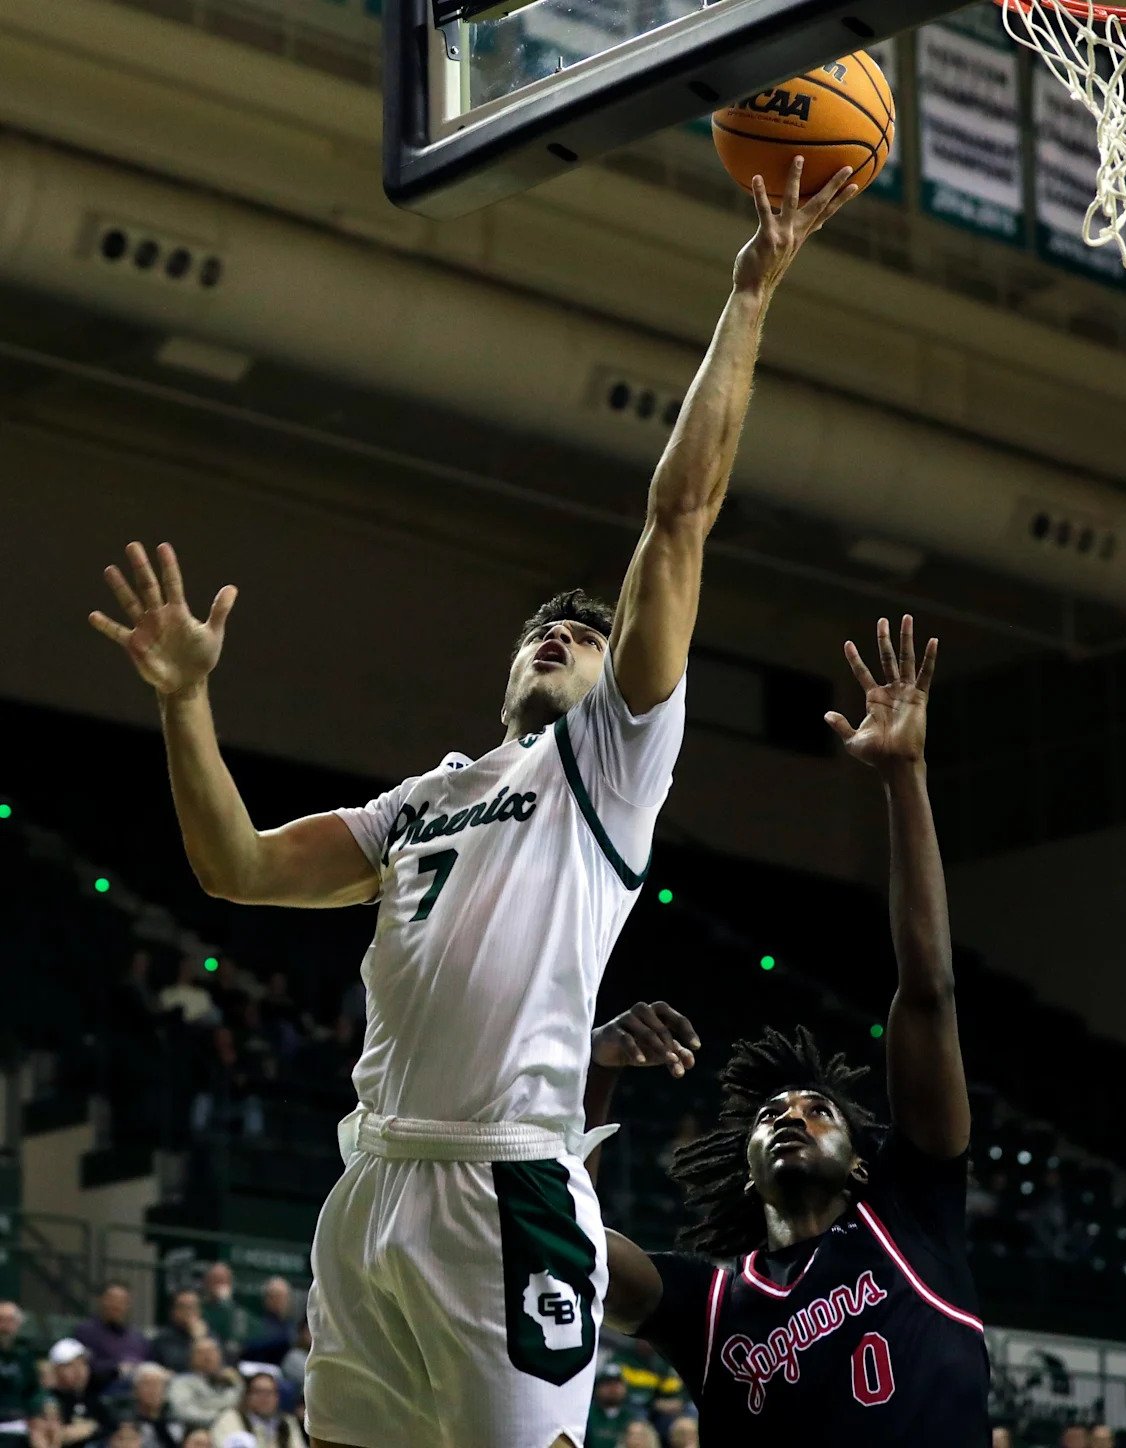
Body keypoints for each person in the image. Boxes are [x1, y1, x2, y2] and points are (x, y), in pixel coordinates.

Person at [87, 155, 859, 1448]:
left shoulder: (609, 764)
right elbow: (236, 869)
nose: (562, 632)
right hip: (371, 1184)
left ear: (624, 682)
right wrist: (184, 703)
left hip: (507, 1190)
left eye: (586, 631)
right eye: (542, 629)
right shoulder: (424, 801)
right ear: (508, 667)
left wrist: (755, 295)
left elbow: (679, 520)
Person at [587, 619, 990, 1444]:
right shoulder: (708, 1304)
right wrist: (593, 1070)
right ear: (745, 1173)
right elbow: (566, 1243)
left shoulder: (911, 1213)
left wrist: (905, 777)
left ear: (861, 1158)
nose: (790, 1117)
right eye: (774, 1115)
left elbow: (929, 993)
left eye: (817, 1110)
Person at [73, 1286, 149, 1392]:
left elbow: (149, 1365)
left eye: (122, 1301)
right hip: (101, 1393)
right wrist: (116, 1369)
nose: (116, 1305)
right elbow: (84, 1367)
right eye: (112, 1300)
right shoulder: (86, 1332)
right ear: (102, 1301)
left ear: (128, 1306)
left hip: (138, 1394)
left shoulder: (138, 1337)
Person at [46, 1340, 113, 1447]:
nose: (79, 1371)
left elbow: (111, 1427)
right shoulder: (48, 1399)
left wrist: (91, 1428)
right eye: (71, 1365)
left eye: (83, 1364)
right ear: (56, 1369)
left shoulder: (91, 1397)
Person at [210, 1374, 304, 1448]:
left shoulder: (287, 1421)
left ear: (277, 1398)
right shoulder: (230, 1418)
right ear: (247, 1396)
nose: (264, 1397)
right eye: (258, 1392)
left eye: (269, 1392)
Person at [166, 1340, 241, 1432]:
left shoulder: (231, 1381)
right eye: (201, 1353)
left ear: (220, 1356)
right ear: (192, 1358)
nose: (207, 1357)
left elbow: (242, 1407)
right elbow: (183, 1412)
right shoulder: (181, 1383)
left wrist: (238, 1383)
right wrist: (221, 1417)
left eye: (212, 1352)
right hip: (196, 1432)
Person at [0, 1301, 44, 1427]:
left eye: (10, 1321)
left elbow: (33, 1390)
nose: (4, 1327)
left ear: (18, 1324)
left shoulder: (25, 1355)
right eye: (1, 1320)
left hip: (19, 1421)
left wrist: (33, 1414)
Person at [151, 1290, 207, 1375]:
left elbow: (215, 1366)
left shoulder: (208, 1335)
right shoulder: (162, 1339)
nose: (189, 1312)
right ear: (173, 1312)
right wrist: (197, 1340)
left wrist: (201, 1338)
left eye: (193, 1307)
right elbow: (179, 1366)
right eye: (184, 1307)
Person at [240, 1282, 294, 1369]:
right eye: (275, 1296)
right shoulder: (256, 1321)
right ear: (266, 1299)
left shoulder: (290, 1324)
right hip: (258, 1367)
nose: (279, 1301)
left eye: (283, 1297)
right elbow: (248, 1346)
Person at [198, 1267, 247, 1359]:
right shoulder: (198, 1307)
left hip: (226, 1360)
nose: (218, 1285)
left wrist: (226, 1304)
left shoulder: (236, 1312)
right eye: (214, 1280)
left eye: (222, 1281)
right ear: (206, 1283)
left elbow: (235, 1345)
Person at [586, 1365, 639, 1448]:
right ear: (597, 1387)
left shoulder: (632, 1418)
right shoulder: (587, 1414)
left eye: (617, 1383)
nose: (613, 1388)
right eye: (608, 1383)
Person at [126, 1365, 174, 1448]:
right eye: (147, 1384)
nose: (153, 1390)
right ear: (135, 1390)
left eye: (158, 1385)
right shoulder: (125, 1421)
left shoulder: (175, 1420)